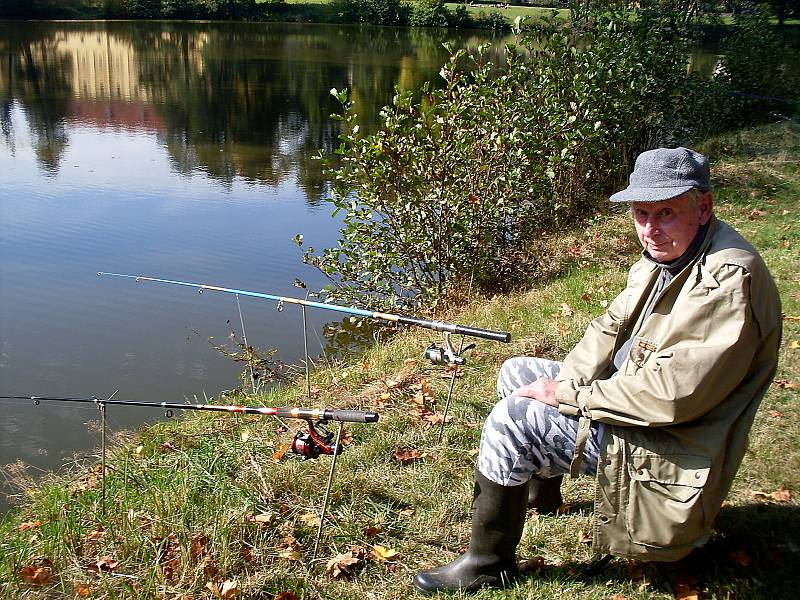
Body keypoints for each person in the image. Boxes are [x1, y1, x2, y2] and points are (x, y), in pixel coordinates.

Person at [413, 147, 783, 594]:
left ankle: (487, 564)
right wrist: (561, 385)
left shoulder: (726, 282)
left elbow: (670, 399)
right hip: (642, 399)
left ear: (702, 207)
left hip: (673, 442)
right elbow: (608, 328)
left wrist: (569, 397)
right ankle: (542, 489)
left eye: (666, 212)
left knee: (512, 419)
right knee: (517, 373)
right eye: (640, 214)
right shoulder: (670, 253)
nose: (650, 229)